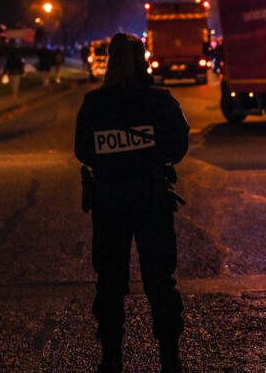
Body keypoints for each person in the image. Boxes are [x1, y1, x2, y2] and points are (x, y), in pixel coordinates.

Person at [74, 33, 190, 373]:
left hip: (109, 201)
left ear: (110, 61)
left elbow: (82, 150)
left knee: (109, 283)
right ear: (143, 61)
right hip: (152, 197)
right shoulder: (161, 101)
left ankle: (111, 360)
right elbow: (179, 146)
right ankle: (170, 358)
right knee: (160, 281)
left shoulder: (93, 103)